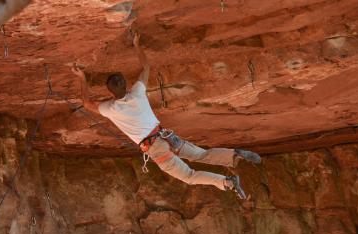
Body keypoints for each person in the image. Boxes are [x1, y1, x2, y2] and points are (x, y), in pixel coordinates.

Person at [71, 33, 261, 199]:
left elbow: (87, 103)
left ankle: (228, 182)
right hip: (166, 136)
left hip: (156, 147)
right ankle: (235, 154)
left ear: (109, 91)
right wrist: (137, 45)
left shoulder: (109, 108)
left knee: (189, 176)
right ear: (126, 84)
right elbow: (145, 68)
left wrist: (83, 78)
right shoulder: (137, 92)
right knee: (202, 154)